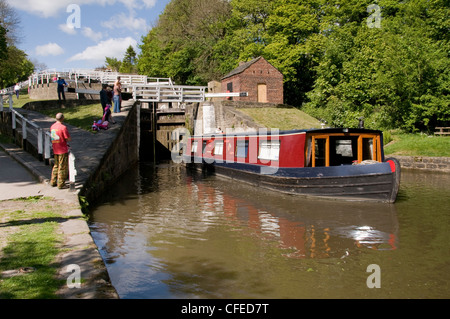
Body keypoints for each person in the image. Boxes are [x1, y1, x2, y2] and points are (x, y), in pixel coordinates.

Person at [50, 113, 72, 189]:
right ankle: (61, 184)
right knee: (62, 167)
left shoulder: (52, 127)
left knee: (56, 165)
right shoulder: (63, 127)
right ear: (62, 118)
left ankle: (53, 181)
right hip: (62, 149)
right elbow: (67, 138)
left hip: (55, 148)